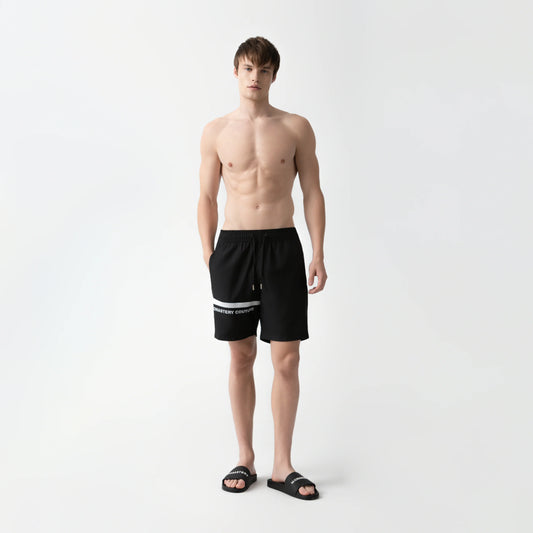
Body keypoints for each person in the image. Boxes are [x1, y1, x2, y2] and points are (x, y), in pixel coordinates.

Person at [197, 36, 327, 501]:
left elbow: (312, 191)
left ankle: (282, 466)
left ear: (274, 75)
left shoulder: (295, 127)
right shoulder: (215, 131)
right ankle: (245, 457)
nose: (256, 77)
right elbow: (206, 196)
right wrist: (209, 254)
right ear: (236, 72)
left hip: (282, 247)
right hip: (233, 248)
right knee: (240, 356)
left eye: (265, 70)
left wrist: (318, 252)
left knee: (287, 358)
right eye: (249, 68)